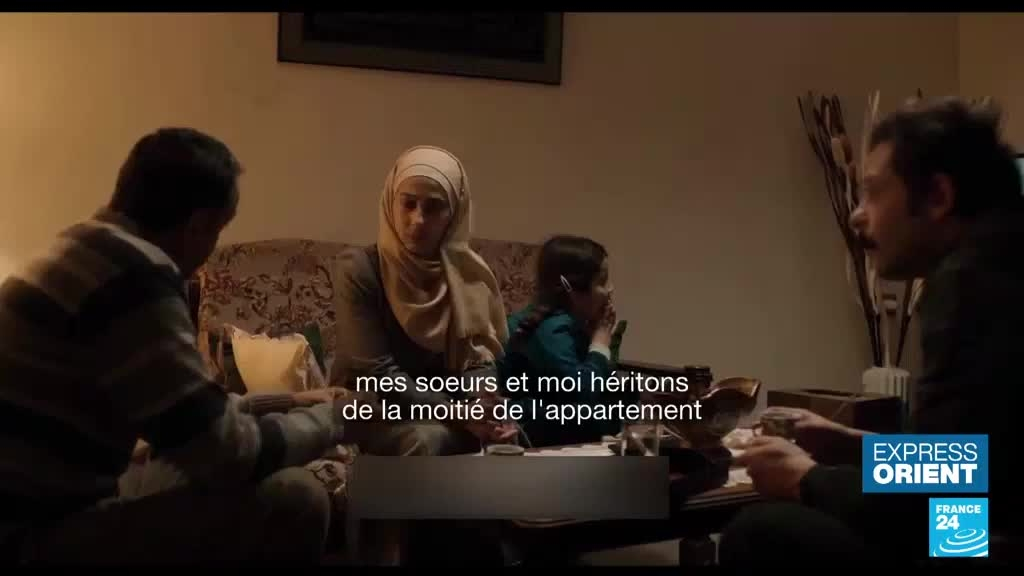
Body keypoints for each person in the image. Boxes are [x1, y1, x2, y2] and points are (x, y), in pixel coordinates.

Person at [0, 127, 358, 563]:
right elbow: (230, 454)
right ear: (198, 226)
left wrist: (295, 400)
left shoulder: (82, 249)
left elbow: (187, 415)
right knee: (295, 498)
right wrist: (337, 419)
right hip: (35, 534)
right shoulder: (134, 279)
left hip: (58, 498)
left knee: (173, 464)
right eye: (216, 232)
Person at [719, 97, 1024, 566]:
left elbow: (930, 508)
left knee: (760, 532)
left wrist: (805, 477)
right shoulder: (1002, 261)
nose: (858, 215)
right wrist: (853, 443)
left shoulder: (970, 283)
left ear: (938, 196)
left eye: (875, 192)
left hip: (985, 542)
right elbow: (971, 463)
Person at [330, 145, 515, 456]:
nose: (418, 219)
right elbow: (377, 373)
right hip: (373, 410)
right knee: (426, 440)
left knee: (509, 435)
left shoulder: (466, 275)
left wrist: (485, 404)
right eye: (409, 204)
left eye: (434, 207)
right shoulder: (359, 268)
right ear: (391, 202)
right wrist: (457, 413)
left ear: (454, 214)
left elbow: (475, 359)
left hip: (447, 411)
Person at [497, 235, 629, 447]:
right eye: (602, 281)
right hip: (530, 437)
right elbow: (583, 400)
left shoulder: (575, 325)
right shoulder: (549, 328)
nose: (610, 289)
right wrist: (600, 342)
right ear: (572, 289)